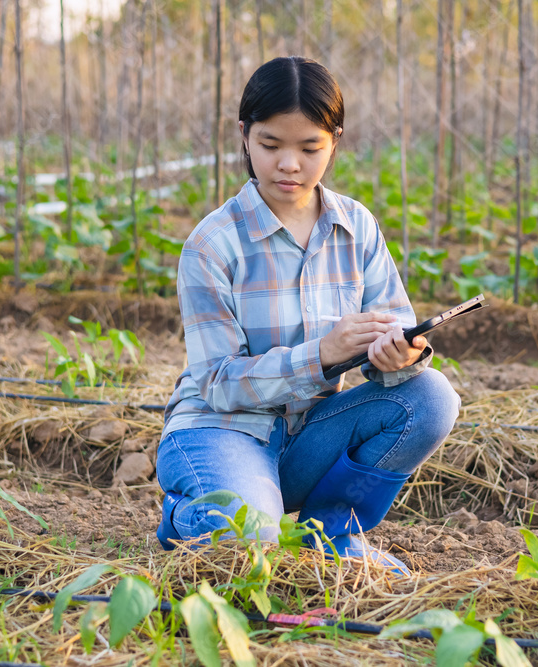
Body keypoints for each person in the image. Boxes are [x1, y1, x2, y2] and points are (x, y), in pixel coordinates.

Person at [155, 56, 460, 574]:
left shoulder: (355, 226)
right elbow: (217, 383)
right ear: (245, 136)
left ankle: (332, 532)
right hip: (224, 429)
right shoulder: (213, 244)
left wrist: (398, 354)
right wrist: (321, 355)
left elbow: (397, 329)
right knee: (246, 542)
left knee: (430, 399)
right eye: (271, 145)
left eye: (309, 147)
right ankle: (187, 515)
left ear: (334, 141)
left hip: (311, 433)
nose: (288, 165)